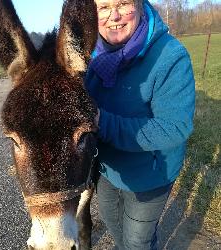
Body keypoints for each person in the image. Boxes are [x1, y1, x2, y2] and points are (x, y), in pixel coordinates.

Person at [85, 0, 195, 249]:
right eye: (103, 7)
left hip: (149, 174)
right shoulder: (91, 57)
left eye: (123, 4)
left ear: (139, 4)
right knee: (117, 232)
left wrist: (103, 123)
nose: (114, 15)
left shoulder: (170, 56)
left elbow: (175, 126)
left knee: (137, 242)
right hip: (108, 170)